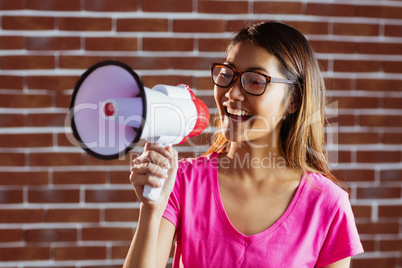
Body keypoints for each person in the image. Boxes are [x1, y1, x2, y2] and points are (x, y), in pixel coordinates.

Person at [123, 21, 364, 268]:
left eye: (256, 80)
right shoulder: (181, 181)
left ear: (294, 99)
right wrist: (152, 208)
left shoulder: (328, 204)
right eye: (227, 74)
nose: (232, 94)